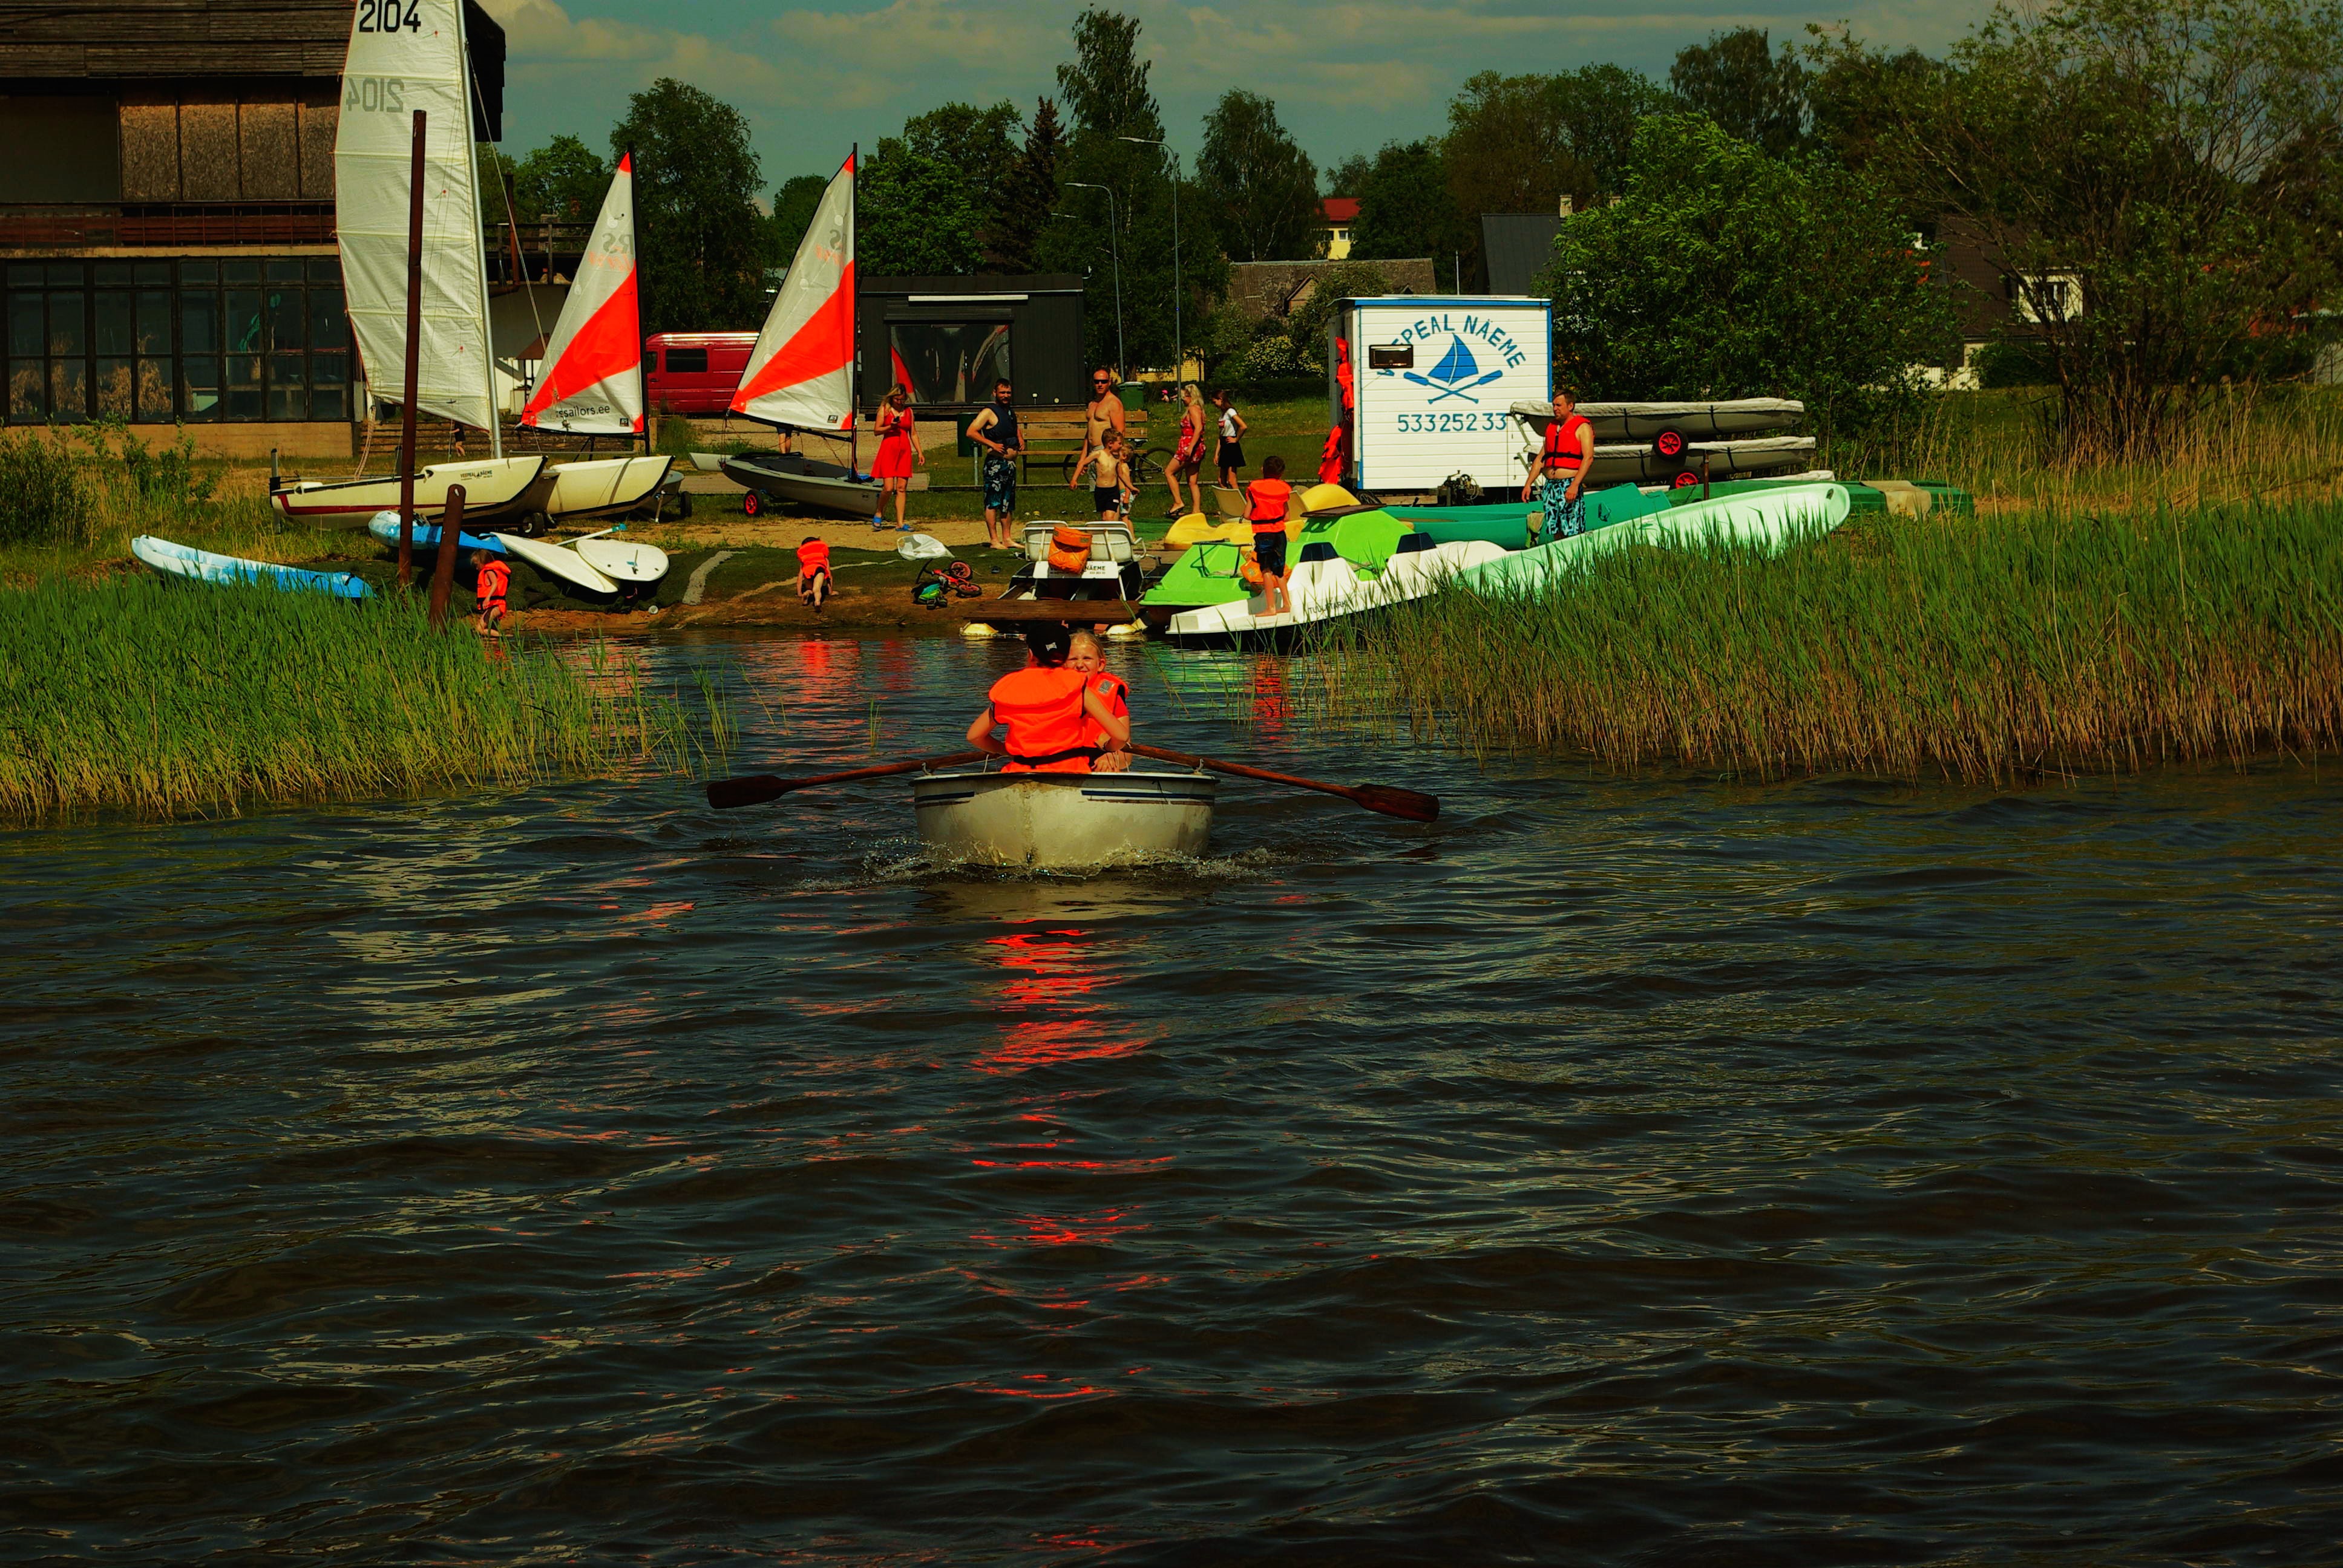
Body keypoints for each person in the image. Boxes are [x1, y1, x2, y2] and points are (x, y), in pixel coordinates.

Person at [966, 627, 1130, 773]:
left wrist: (1007, 751)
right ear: (1065, 656)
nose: (1080, 665)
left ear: (1031, 654)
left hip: (1019, 772)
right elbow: (1122, 737)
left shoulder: (1007, 689)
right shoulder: (1078, 690)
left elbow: (975, 736)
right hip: (1069, 772)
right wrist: (1107, 747)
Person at [1522, 387, 1593, 542]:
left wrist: (1575, 485)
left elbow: (1588, 458)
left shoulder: (1582, 427)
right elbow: (1540, 459)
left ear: (1570, 406)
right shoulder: (1552, 429)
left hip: (1568, 484)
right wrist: (1528, 484)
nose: (1555, 409)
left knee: (1572, 529)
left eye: (1559, 405)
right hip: (1551, 486)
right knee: (1556, 529)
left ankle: (1576, 560)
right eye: (1554, 405)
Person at [965, 377, 1024, 551]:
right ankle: (994, 539)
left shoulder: (1009, 411)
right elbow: (971, 432)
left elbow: (1014, 428)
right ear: (995, 393)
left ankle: (1007, 538)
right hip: (996, 464)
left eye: (1008, 393)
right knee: (993, 502)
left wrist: (1020, 438)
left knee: (1007, 503)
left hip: (1010, 464)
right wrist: (990, 444)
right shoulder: (989, 412)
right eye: (1002, 393)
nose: (1006, 396)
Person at [1067, 630, 1132, 773]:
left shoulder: (1113, 695)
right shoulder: (1054, 693)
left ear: (1101, 664)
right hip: (1063, 765)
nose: (1079, 664)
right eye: (1072, 659)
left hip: (1098, 766)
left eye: (1087, 658)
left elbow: (1127, 755)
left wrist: (1111, 757)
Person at [1244, 454, 1295, 616]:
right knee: (1279, 571)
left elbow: (1246, 514)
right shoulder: (1283, 490)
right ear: (1281, 475)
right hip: (1280, 534)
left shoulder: (1255, 489)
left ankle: (1271, 608)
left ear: (1262, 470)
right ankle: (1287, 604)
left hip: (1264, 534)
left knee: (1266, 570)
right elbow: (1287, 517)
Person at [870, 384, 922, 532]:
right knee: (889, 488)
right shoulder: (885, 411)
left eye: (902, 399)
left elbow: (913, 433)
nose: (900, 402)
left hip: (904, 451)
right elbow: (877, 431)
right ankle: (879, 511)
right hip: (889, 449)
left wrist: (919, 452)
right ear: (892, 398)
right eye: (897, 399)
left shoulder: (909, 412)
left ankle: (900, 522)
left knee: (902, 488)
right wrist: (890, 427)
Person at [1076, 366, 1126, 488]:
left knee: (1109, 492)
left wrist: (1113, 455)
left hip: (1106, 451)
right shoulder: (1092, 404)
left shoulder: (1113, 403)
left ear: (1109, 382)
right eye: (1097, 381)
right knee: (1098, 494)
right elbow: (1089, 434)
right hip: (1093, 452)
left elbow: (1120, 432)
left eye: (1103, 381)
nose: (1100, 384)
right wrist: (1082, 460)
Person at [1166, 382, 1207, 518]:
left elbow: (1199, 428)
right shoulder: (1199, 409)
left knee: (1169, 472)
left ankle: (1178, 502)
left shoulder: (1193, 409)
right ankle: (1196, 510)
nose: (1183, 399)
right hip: (1197, 446)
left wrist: (1189, 448)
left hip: (1190, 445)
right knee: (1192, 481)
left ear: (1191, 396)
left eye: (1185, 396)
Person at [1072, 431, 1133, 521]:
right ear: (1110, 443)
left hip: (1113, 491)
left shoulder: (1117, 459)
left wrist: (1131, 487)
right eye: (1119, 443)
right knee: (1104, 518)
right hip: (1100, 490)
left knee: (1110, 517)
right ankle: (1106, 534)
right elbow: (1082, 464)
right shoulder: (1098, 454)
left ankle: (1111, 533)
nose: (1121, 446)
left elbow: (1122, 475)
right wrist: (1074, 479)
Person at [1213, 388, 1248, 489]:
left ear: (1220, 399)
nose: (1214, 405)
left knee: (1232, 480)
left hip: (1231, 446)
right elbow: (1221, 436)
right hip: (1224, 445)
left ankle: (1239, 503)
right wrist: (1216, 453)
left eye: (1214, 402)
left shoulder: (1230, 412)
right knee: (1221, 480)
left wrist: (1236, 439)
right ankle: (1228, 501)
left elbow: (1243, 426)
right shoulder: (1222, 415)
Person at [471, 547, 508, 638]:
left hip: (496, 606)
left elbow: (495, 583)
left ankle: (505, 638)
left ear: (483, 561)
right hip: (497, 605)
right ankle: (496, 649)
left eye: (477, 565)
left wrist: (487, 598)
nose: (476, 568)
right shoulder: (492, 571)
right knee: (491, 629)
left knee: (480, 629)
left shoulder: (489, 571)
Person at [795, 534, 831, 612]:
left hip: (808, 571)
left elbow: (800, 579)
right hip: (819, 570)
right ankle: (817, 602)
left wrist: (799, 593)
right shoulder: (823, 557)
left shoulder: (805, 560)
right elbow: (829, 576)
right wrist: (830, 591)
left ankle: (806, 594)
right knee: (817, 589)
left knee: (810, 590)